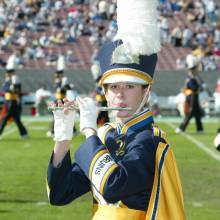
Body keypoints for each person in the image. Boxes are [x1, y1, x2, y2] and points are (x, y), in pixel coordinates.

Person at [47, 1, 185, 219]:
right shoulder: (106, 135)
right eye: (113, 87)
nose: (119, 94)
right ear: (105, 91)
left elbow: (113, 185)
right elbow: (60, 194)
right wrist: (63, 139)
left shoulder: (150, 140)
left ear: (146, 92)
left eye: (129, 86)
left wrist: (90, 131)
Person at [175, 54, 204, 133]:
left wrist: (199, 83)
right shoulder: (190, 78)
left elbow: (200, 87)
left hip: (195, 97)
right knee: (191, 113)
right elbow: (195, 88)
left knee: (196, 114)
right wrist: (198, 84)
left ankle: (199, 129)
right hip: (191, 97)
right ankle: (182, 128)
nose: (196, 71)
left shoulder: (194, 78)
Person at [0, 69, 28, 138]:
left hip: (12, 102)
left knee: (5, 118)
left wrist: (14, 88)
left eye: (9, 73)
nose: (7, 75)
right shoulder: (7, 81)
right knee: (16, 118)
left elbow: (18, 90)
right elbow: (5, 89)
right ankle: (24, 133)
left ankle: (24, 133)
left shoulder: (15, 80)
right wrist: (10, 88)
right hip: (8, 102)